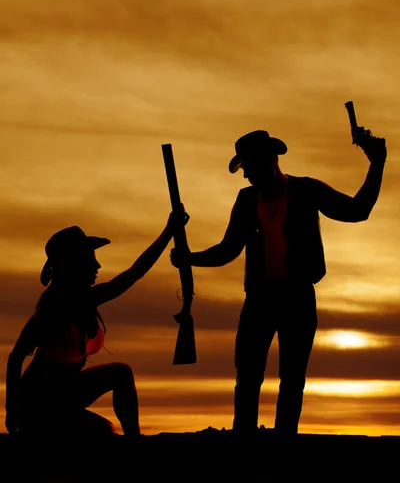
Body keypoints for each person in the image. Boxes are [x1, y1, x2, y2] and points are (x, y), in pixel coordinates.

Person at [170, 127, 387, 437]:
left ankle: (284, 444)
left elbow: (357, 211)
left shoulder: (306, 191)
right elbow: (228, 250)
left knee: (292, 377)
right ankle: (244, 440)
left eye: (248, 166)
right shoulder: (246, 201)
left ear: (269, 159)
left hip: (298, 296)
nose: (245, 176)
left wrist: (376, 164)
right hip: (259, 298)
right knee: (247, 375)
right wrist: (190, 258)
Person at [5, 207, 188, 438]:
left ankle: (134, 440)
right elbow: (16, 357)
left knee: (114, 399)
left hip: (64, 395)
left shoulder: (86, 300)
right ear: (74, 266)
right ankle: (134, 443)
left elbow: (135, 272)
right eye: (91, 261)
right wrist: (12, 411)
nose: (98, 267)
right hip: (40, 403)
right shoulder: (52, 310)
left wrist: (169, 232)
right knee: (105, 428)